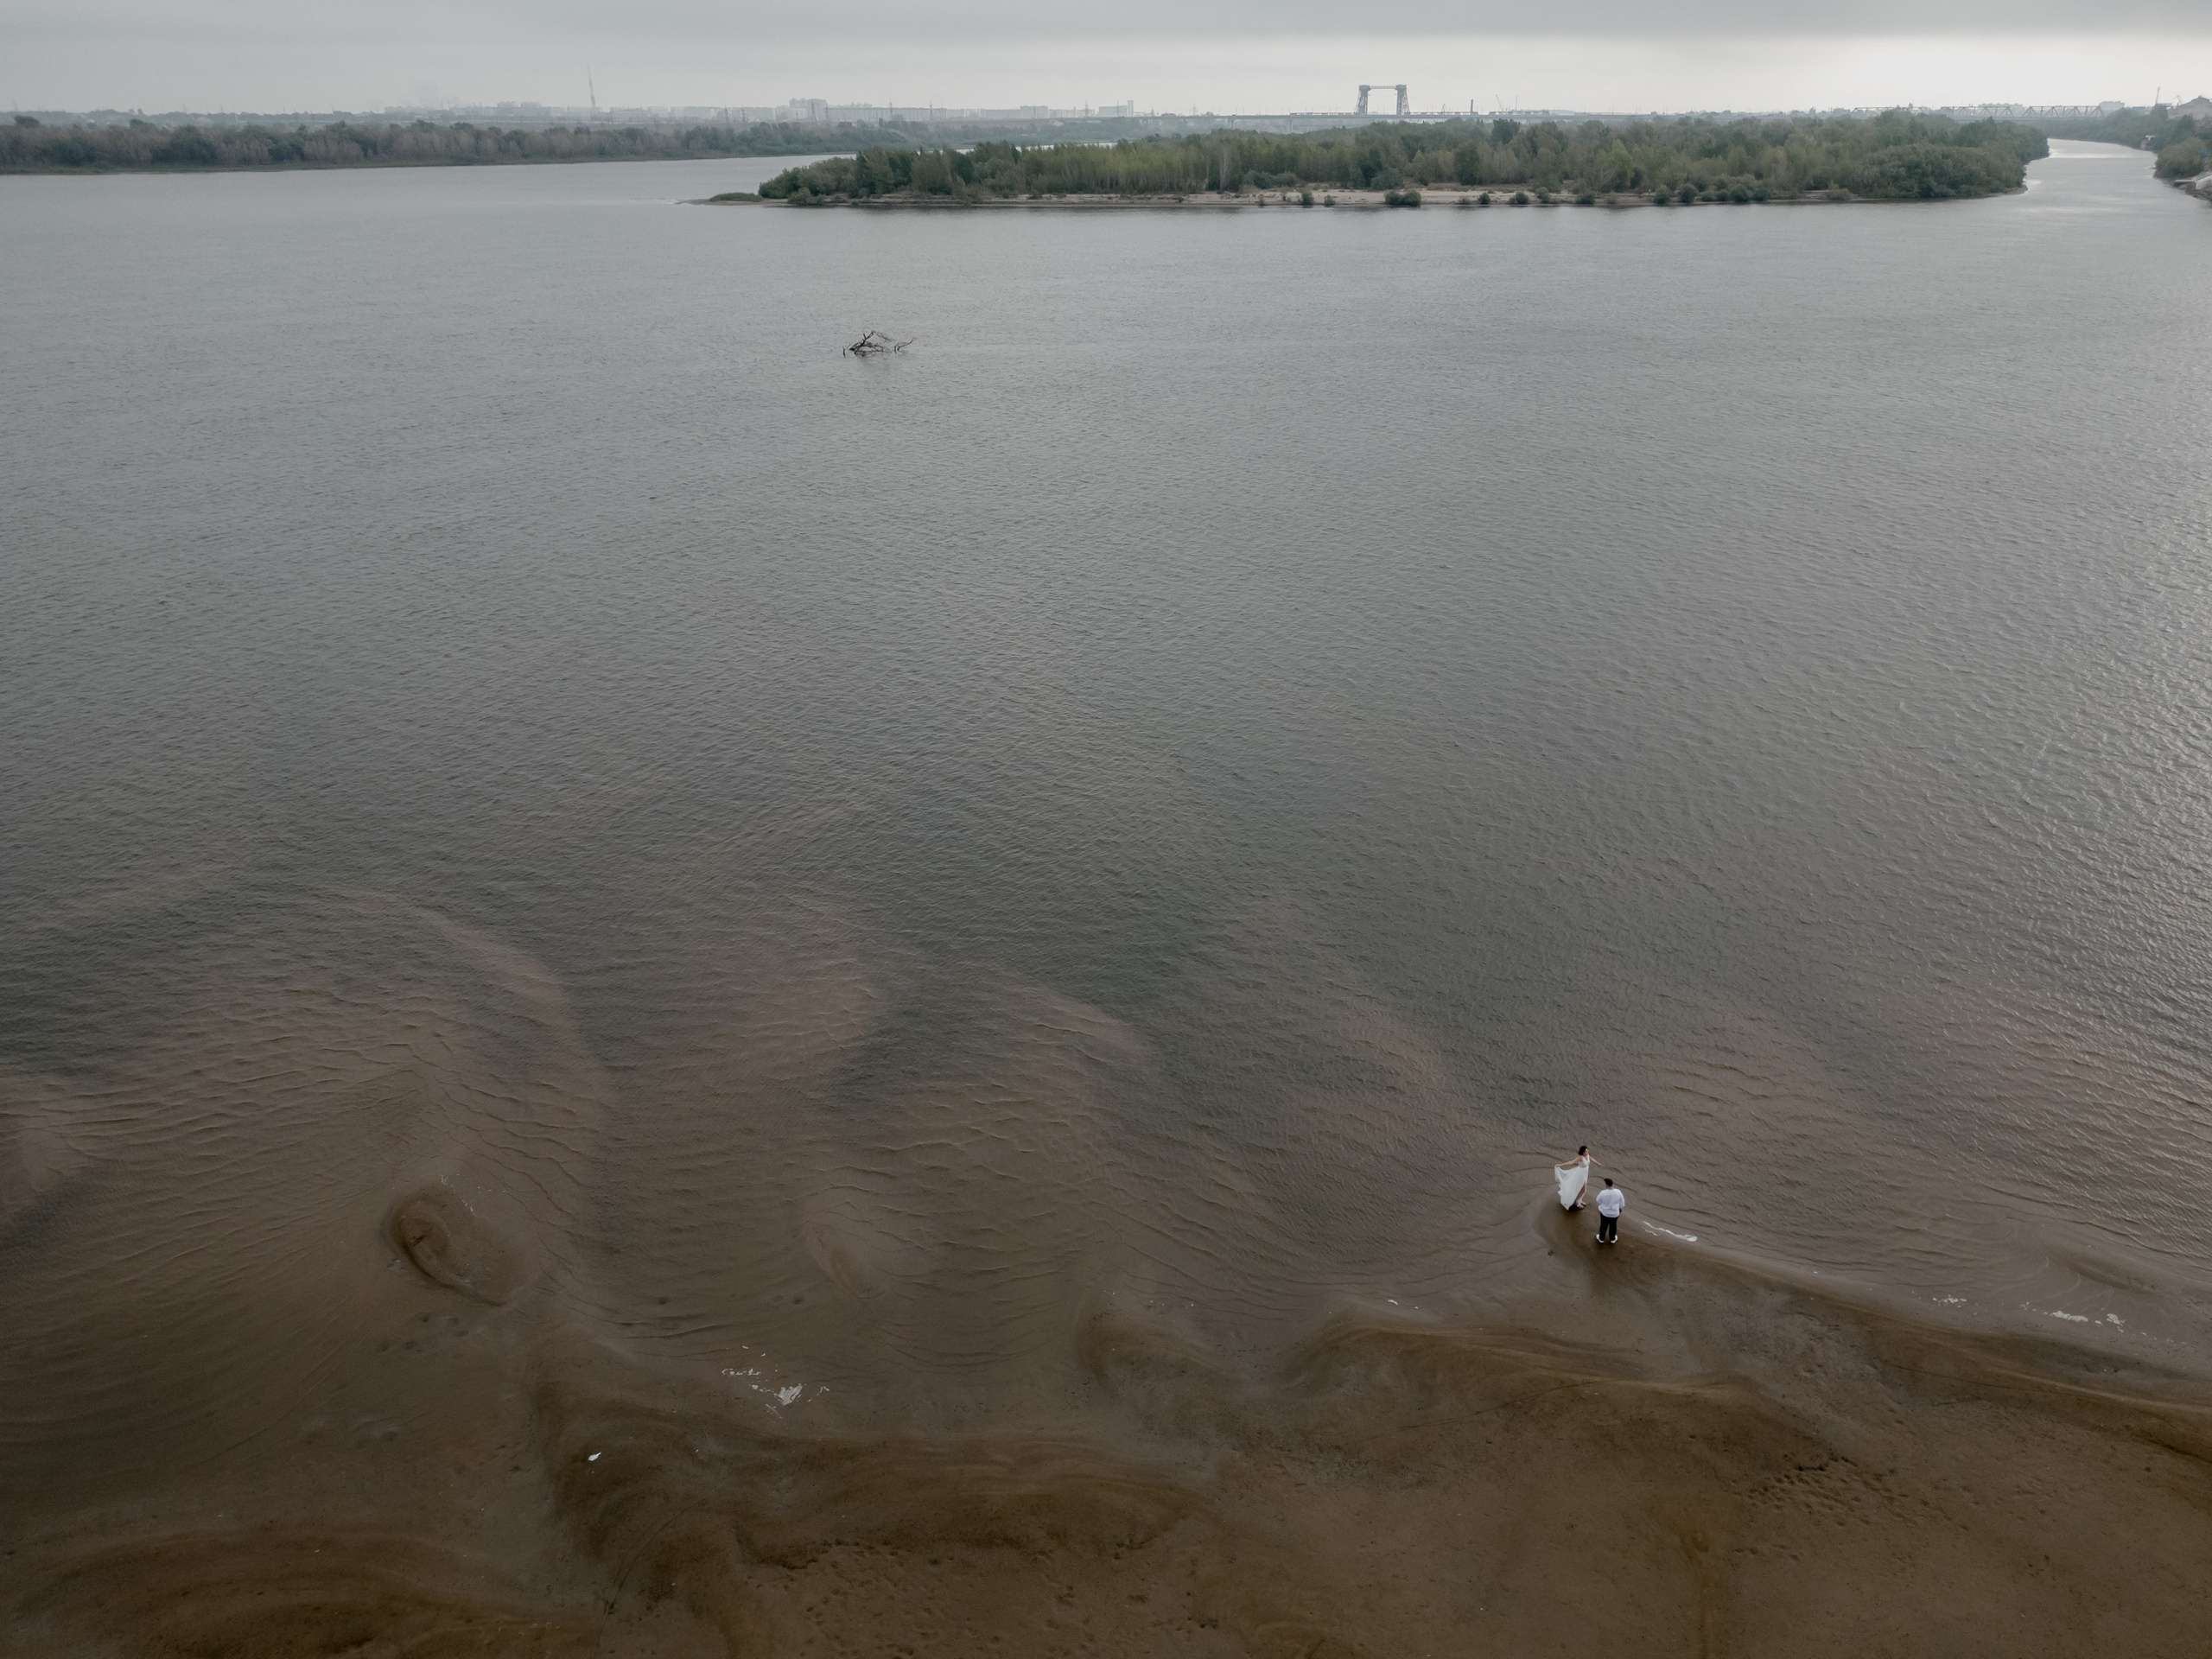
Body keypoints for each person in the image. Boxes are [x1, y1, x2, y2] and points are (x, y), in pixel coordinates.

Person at [1554, 1146, 1596, 1211]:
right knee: (1583, 1190)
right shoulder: (1580, 1157)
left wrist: (1598, 1163)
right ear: (1582, 1152)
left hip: (1585, 1174)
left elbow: (1591, 1159)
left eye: (1587, 1151)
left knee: (1582, 1189)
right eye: (1585, 1152)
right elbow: (1571, 1162)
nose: (1587, 1152)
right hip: (1581, 1174)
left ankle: (1579, 1200)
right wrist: (1560, 1165)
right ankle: (1576, 1202)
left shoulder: (1587, 1155)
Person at [1594, 1178, 1624, 1244]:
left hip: (1604, 1213)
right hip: (1614, 1213)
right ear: (1612, 1184)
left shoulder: (1603, 1193)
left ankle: (1601, 1238)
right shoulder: (1618, 1192)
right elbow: (1622, 1202)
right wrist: (1620, 1207)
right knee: (1613, 1226)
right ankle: (1612, 1239)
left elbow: (1598, 1200)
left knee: (1603, 1225)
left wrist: (1604, 1203)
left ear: (1606, 1184)